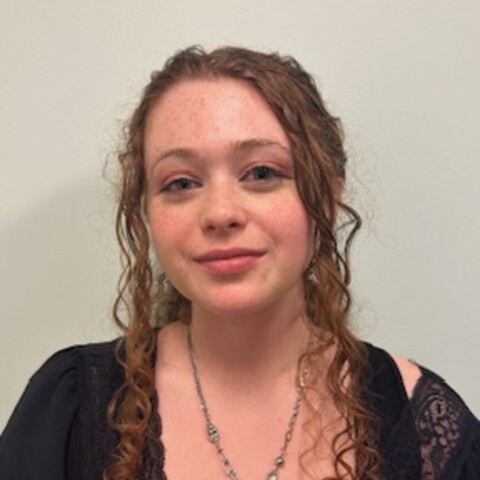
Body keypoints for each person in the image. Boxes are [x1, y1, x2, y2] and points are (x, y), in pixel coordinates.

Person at [0, 45, 478, 480]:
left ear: (327, 201)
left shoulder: (425, 426)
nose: (221, 214)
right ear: (147, 211)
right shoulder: (68, 408)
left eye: (262, 173)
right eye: (181, 183)